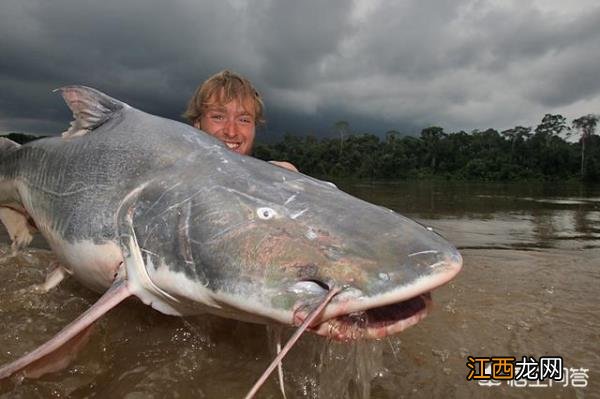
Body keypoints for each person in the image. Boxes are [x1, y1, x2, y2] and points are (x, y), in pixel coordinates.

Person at [184, 70, 298, 172]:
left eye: (243, 120)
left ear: (254, 127)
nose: (231, 132)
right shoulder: (172, 178)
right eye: (218, 117)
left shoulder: (272, 180)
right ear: (197, 123)